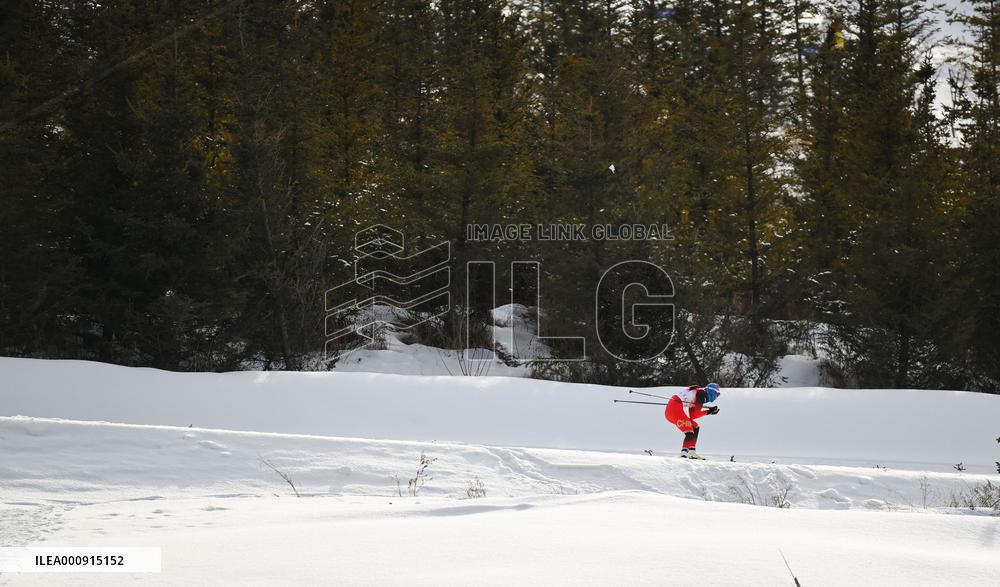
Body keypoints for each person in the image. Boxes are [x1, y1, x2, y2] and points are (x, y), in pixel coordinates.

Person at [664, 383, 720, 459]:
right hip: (675, 409)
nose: (717, 397)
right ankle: (684, 454)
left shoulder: (699, 393)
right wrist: (709, 412)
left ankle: (691, 452)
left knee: (695, 427)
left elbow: (693, 416)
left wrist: (709, 411)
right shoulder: (701, 394)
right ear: (713, 392)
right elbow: (696, 414)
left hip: (672, 410)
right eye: (718, 394)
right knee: (689, 433)